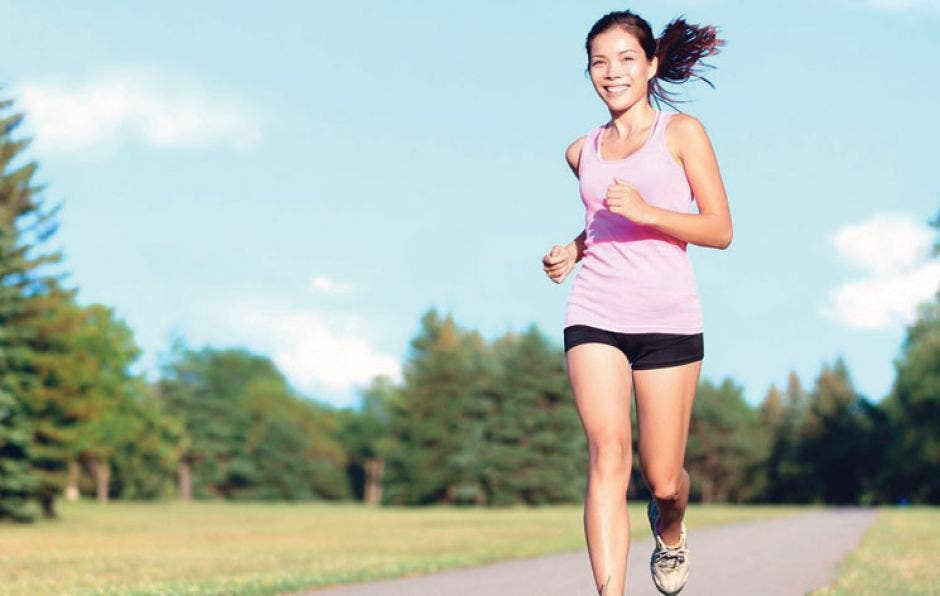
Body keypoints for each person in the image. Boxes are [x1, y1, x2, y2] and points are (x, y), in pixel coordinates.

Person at [541, 9, 731, 596]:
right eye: (599, 61)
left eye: (626, 59)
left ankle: (669, 531)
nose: (612, 71)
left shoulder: (682, 133)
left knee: (664, 477)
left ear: (650, 65)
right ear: (589, 73)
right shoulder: (582, 151)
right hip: (595, 311)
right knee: (607, 453)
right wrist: (573, 249)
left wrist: (647, 211)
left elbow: (719, 228)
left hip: (668, 318)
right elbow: (602, 222)